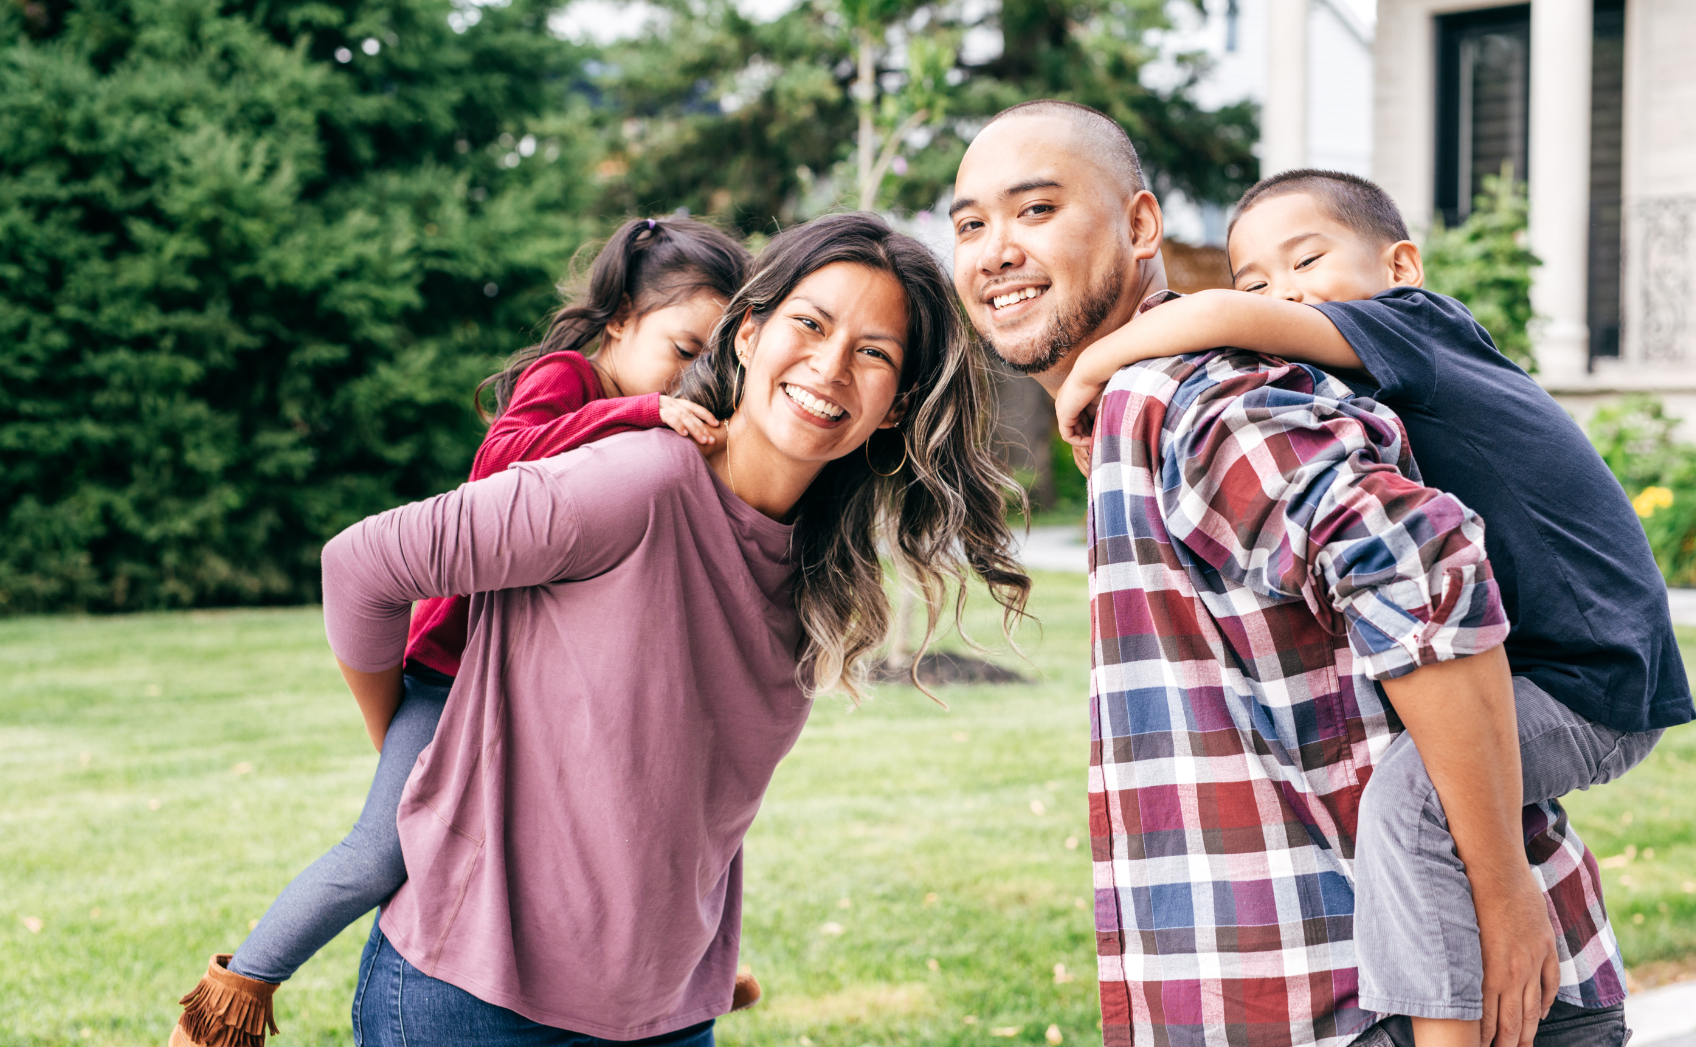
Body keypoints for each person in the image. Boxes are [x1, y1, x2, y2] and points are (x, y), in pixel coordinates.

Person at [949, 100, 1626, 1047]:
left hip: (1401, 1006)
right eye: (970, 223)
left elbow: (1420, 570)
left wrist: (1505, 895)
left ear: (1140, 226)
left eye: (1035, 210)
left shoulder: (1180, 392)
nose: (994, 249)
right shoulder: (1141, 404)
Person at [336, 212, 1025, 1045]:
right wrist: (411, 761)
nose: (832, 365)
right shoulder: (636, 483)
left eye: (874, 352)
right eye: (809, 322)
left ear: (895, 407)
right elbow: (362, 566)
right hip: (473, 1000)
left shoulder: (824, 572)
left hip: (665, 1013)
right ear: (745, 336)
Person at [169, 217, 754, 1047]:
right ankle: (232, 996)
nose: (699, 377)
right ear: (622, 315)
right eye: (685, 347)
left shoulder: (666, 421)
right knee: (384, 848)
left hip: (546, 677)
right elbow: (503, 461)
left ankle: (689, 966)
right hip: (458, 673)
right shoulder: (566, 378)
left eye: (715, 362)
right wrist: (640, 412)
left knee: (650, 811)